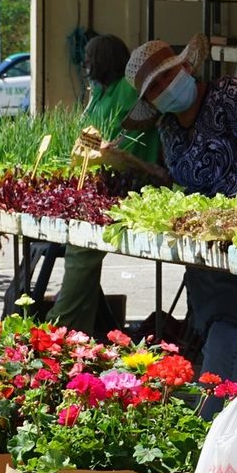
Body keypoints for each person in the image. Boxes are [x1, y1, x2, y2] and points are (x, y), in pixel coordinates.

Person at [119, 34, 237, 455]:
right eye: (155, 91)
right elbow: (178, 184)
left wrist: (220, 211)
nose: (165, 92)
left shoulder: (229, 95)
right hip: (204, 261)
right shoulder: (167, 127)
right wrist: (132, 167)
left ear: (186, 69)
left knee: (233, 343)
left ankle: (201, 455)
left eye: (166, 80)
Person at [49, 35, 161, 334]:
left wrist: (114, 150)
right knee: (80, 248)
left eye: (90, 58)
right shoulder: (100, 91)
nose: (85, 63)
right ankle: (79, 328)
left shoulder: (127, 90)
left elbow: (138, 125)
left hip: (131, 181)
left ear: (105, 60)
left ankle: (64, 325)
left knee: (82, 248)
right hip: (106, 180)